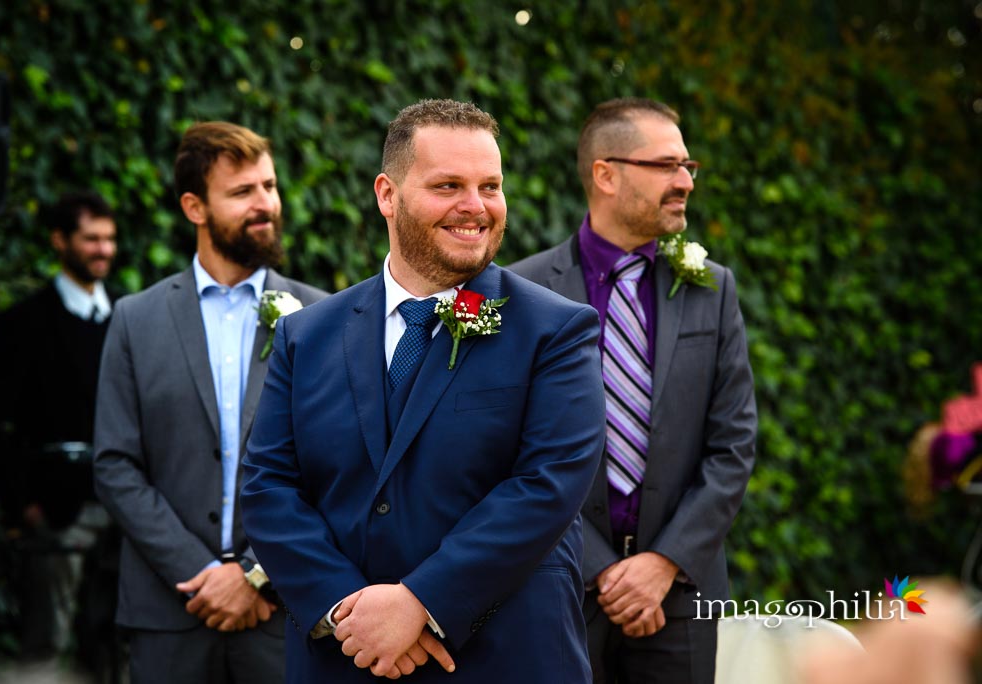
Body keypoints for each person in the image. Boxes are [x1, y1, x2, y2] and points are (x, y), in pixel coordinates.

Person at [240, 99, 607, 683]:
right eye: (448, 185)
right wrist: (345, 611)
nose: (476, 207)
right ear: (387, 194)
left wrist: (419, 602)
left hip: (504, 659)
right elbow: (268, 487)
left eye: (490, 186)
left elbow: (547, 485)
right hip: (345, 660)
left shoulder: (556, 330)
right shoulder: (306, 334)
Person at [509, 97, 757, 684]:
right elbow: (509, 451)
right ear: (606, 173)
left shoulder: (711, 289)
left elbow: (734, 444)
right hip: (559, 584)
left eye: (689, 167)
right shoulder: (523, 291)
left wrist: (663, 563)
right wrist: (602, 568)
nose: (685, 182)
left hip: (681, 595)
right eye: (667, 166)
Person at [92, 121, 328, 683]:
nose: (265, 203)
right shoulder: (135, 319)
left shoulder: (321, 318)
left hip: (281, 613)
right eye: (242, 192)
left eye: (269, 187)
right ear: (194, 207)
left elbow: (334, 467)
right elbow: (115, 465)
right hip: (169, 609)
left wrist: (253, 575)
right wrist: (199, 571)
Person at [0, 189, 120, 664]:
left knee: (119, 647)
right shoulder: (23, 322)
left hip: (124, 507)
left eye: (109, 239)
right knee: (45, 645)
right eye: (91, 238)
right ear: (60, 240)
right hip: (54, 510)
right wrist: (22, 506)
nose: (104, 250)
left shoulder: (129, 317)